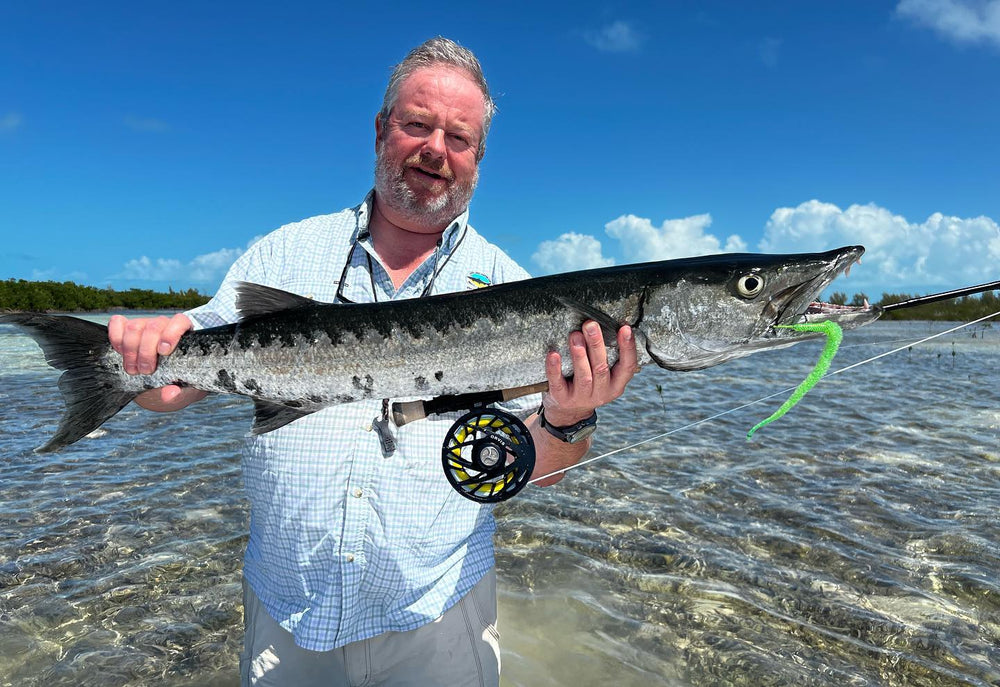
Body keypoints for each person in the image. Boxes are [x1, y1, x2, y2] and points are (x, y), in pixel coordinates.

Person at [108, 37, 637, 686]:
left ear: (478, 158)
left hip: (440, 617)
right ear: (382, 129)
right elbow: (170, 389)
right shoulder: (281, 251)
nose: (435, 148)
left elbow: (540, 473)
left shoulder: (514, 286)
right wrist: (132, 362)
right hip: (286, 611)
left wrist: (568, 418)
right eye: (417, 124)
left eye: (459, 137)